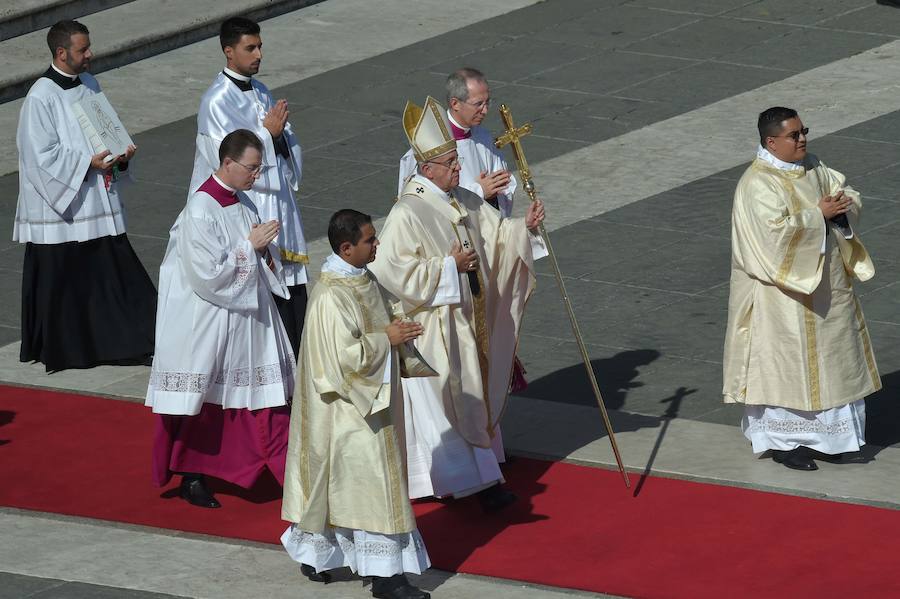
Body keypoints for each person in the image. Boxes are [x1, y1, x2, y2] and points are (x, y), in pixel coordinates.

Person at [369, 96, 546, 511]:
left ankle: (475, 478)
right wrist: (449, 267)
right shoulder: (407, 213)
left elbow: (495, 234)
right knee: (450, 407)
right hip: (431, 329)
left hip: (466, 318)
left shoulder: (459, 198)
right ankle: (476, 486)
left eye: (455, 161)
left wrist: (524, 227)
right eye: (450, 163)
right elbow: (390, 272)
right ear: (426, 168)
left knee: (467, 399)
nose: (457, 169)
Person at [282, 209, 433, 599]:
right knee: (370, 488)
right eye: (370, 239)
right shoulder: (330, 296)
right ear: (346, 248)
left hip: (374, 402)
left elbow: (384, 316)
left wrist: (401, 327)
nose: (377, 243)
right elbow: (341, 361)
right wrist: (388, 339)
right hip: (348, 409)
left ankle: (319, 554)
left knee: (351, 487)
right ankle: (386, 578)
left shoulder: (364, 278)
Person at [723, 106, 882, 471]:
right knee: (786, 366)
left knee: (833, 359)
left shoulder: (812, 165)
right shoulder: (756, 184)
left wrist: (843, 204)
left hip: (827, 286)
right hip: (781, 296)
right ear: (771, 142)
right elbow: (769, 239)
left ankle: (832, 440)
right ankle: (786, 442)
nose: (803, 139)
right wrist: (817, 216)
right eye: (794, 135)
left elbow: (842, 191)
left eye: (803, 131)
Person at [146, 129, 295, 508]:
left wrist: (266, 251)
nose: (256, 176)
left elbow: (251, 254)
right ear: (227, 162)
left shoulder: (242, 200)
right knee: (209, 402)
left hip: (247, 318)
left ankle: (281, 468)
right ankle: (194, 475)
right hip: (212, 322)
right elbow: (207, 275)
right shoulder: (200, 209)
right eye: (251, 168)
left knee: (260, 396)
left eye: (260, 169)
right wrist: (251, 246)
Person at [15, 19, 156, 372]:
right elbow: (39, 157)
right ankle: (75, 348)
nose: (90, 54)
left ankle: (128, 341)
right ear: (62, 53)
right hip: (64, 208)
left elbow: (106, 131)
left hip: (95, 195)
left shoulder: (90, 84)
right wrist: (85, 164)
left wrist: (120, 155)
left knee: (112, 274)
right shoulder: (40, 97)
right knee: (70, 282)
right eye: (83, 49)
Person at [190, 16, 308, 357]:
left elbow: (284, 140)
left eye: (260, 47)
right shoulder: (216, 101)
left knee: (292, 288)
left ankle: (297, 353)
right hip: (250, 202)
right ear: (229, 51)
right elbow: (226, 158)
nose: (258, 55)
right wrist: (269, 134)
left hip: (278, 199)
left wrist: (280, 137)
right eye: (250, 48)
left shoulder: (261, 90)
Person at [398, 67, 516, 217]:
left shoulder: (484, 137)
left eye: (487, 102)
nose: (485, 110)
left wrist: (497, 191)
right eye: (478, 104)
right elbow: (423, 202)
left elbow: (504, 184)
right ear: (455, 104)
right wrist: (479, 191)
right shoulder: (429, 148)